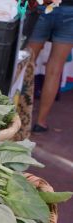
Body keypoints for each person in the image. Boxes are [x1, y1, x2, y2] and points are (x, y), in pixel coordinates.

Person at [27, 0, 73, 133]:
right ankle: (40, 123)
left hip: (42, 8)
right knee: (55, 70)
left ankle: (17, 115)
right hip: (70, 11)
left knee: (27, 65)